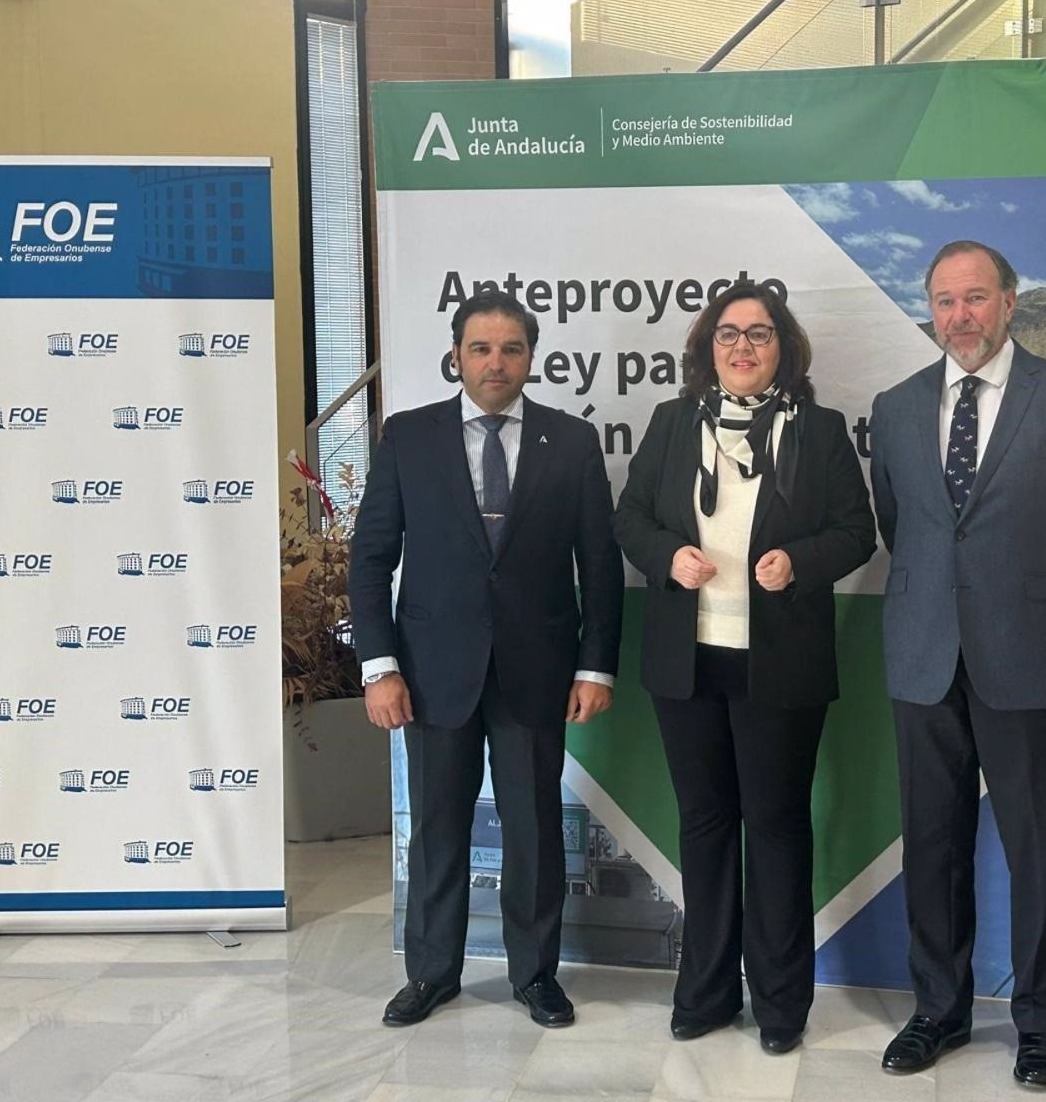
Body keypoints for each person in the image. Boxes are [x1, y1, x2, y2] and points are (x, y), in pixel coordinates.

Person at [869, 241, 1046, 1086]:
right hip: (923, 658)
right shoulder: (897, 406)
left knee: (1037, 850)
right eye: (944, 301)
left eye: (975, 298)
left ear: (1011, 302)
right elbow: (900, 526)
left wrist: (1042, 612)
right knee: (933, 845)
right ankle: (937, 1013)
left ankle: (1040, 1025)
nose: (960, 317)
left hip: (1030, 663)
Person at [348, 289, 623, 1029]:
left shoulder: (569, 442)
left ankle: (536, 976)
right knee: (438, 828)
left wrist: (595, 667)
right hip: (431, 675)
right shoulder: (408, 437)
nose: (495, 362)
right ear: (456, 355)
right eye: (480, 348)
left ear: (532, 357)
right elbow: (371, 558)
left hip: (537, 673)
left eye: (510, 349)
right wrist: (379, 666)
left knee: (535, 828)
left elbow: (598, 562)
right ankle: (432, 974)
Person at [614, 283, 876, 1055]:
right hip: (687, 660)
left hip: (780, 665)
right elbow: (629, 518)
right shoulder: (670, 423)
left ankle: (783, 1003)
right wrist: (668, 556)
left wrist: (797, 560)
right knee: (703, 826)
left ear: (783, 349)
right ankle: (705, 990)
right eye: (728, 335)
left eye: (759, 335)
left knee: (777, 827)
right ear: (708, 348)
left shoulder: (819, 430)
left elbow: (857, 532)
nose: (742, 348)